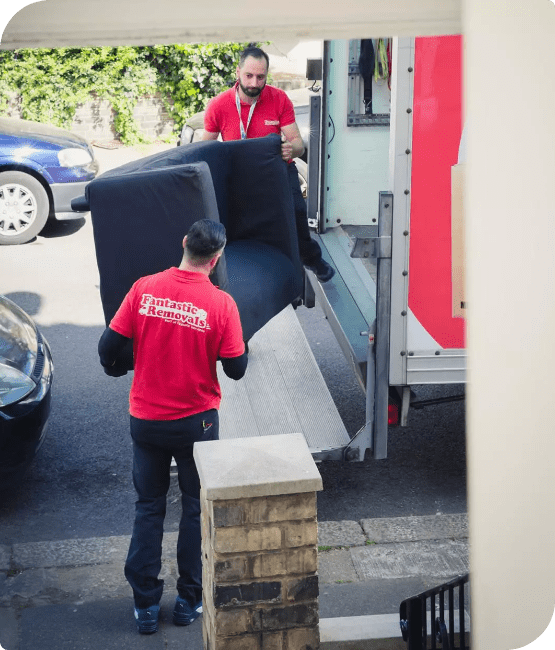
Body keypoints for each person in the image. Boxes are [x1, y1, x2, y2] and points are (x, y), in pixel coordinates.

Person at [98, 219, 247, 635]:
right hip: (196, 423)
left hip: (146, 420)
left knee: (148, 508)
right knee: (193, 509)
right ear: (215, 260)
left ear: (183, 243)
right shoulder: (221, 305)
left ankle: (145, 605)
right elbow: (236, 369)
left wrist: (118, 367)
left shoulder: (144, 288)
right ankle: (188, 600)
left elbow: (108, 347)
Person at [202, 44, 335, 283]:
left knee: (295, 213)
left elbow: (299, 145)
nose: (253, 83)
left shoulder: (279, 99)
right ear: (237, 72)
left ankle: (312, 259)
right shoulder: (218, 105)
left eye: (260, 77)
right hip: (239, 177)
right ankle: (225, 274)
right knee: (226, 222)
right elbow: (203, 149)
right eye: (249, 76)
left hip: (277, 172)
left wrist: (289, 149)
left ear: (267, 76)